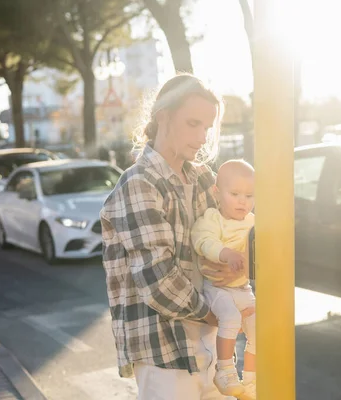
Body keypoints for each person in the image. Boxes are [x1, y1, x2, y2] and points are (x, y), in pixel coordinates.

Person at [100, 74, 251, 400]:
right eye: (193, 123)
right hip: (163, 350)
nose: (201, 136)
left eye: (207, 128)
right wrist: (224, 316)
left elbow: (233, 236)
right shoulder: (138, 183)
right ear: (163, 117)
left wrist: (241, 266)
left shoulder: (202, 178)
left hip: (209, 343)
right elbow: (159, 280)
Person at [191, 160, 256, 399]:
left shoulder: (253, 223)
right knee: (230, 317)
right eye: (235, 194)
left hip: (242, 288)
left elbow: (263, 251)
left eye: (249, 195)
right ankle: (224, 370)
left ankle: (251, 377)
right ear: (217, 193)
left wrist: (247, 265)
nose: (243, 201)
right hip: (217, 288)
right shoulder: (212, 218)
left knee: (259, 327)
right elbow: (203, 240)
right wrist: (225, 253)